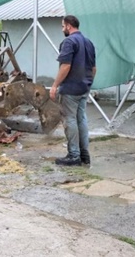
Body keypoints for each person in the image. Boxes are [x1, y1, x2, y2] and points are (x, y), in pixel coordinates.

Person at [49, 15, 96, 167]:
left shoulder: (69, 41)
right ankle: (84, 155)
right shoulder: (89, 42)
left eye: (63, 26)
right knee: (81, 119)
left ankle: (74, 155)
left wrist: (55, 85)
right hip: (84, 87)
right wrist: (88, 84)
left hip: (71, 88)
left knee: (70, 120)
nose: (63, 29)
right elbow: (93, 68)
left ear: (69, 26)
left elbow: (65, 66)